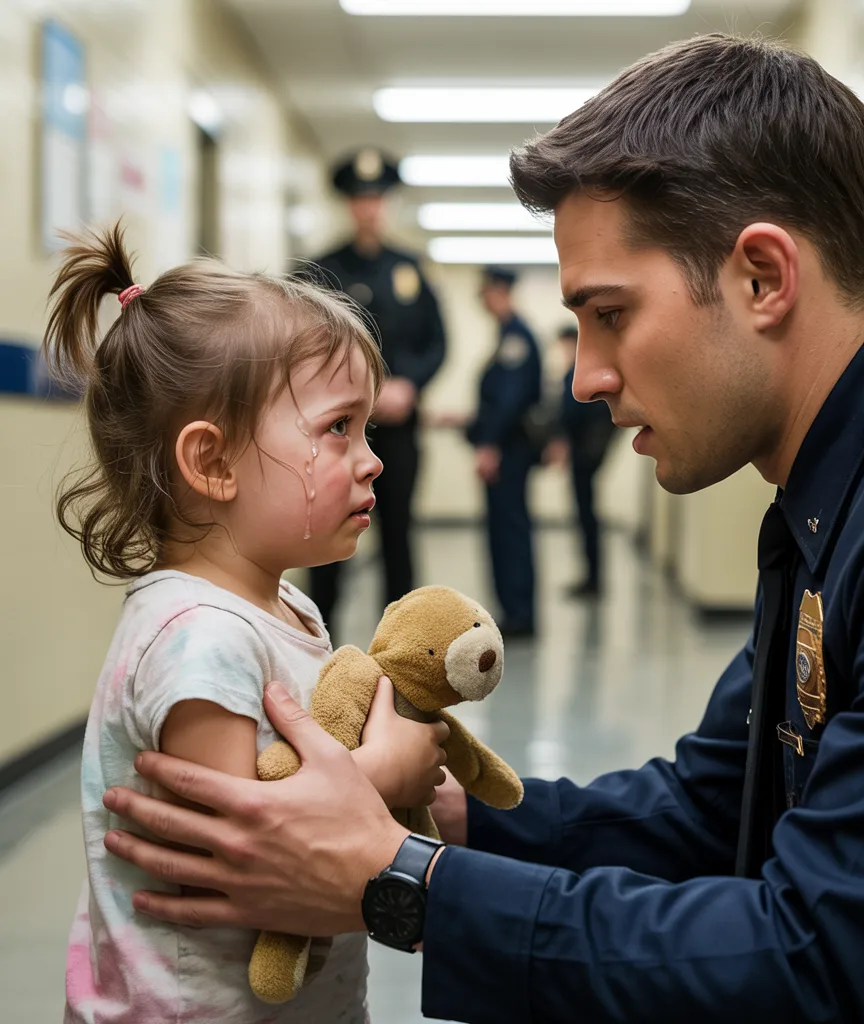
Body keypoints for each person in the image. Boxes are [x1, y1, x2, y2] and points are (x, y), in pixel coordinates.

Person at [97, 33, 864, 1022]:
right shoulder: (845, 482)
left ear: (762, 277)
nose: (583, 376)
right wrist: (446, 817)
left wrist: (400, 879)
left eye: (609, 313)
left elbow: (831, 961)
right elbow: (708, 808)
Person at [48, 225, 449, 1024]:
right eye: (338, 428)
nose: (370, 458)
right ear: (214, 463)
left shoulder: (286, 605)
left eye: (367, 429)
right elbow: (246, 848)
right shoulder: (200, 637)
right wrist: (389, 774)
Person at [306, 148, 447, 626]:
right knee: (327, 533)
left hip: (398, 429)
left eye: (377, 198)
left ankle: (403, 650)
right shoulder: (318, 270)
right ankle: (318, 641)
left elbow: (437, 341)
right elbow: (298, 349)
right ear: (347, 204)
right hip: (337, 434)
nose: (369, 207)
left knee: (398, 538)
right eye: (360, 198)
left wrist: (409, 385)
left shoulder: (409, 268)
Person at [466, 267, 543, 638]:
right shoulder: (506, 334)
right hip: (505, 448)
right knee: (504, 528)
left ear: (499, 292)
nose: (482, 300)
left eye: (484, 293)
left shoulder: (516, 336)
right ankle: (513, 608)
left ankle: (521, 614)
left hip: (509, 451)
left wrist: (490, 444)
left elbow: (510, 401)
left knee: (510, 529)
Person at [545, 324, 617, 598]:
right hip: (584, 453)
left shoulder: (577, 375)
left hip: (583, 454)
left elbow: (572, 414)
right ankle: (591, 576)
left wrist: (562, 440)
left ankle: (593, 579)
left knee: (586, 515)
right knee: (585, 514)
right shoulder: (585, 373)